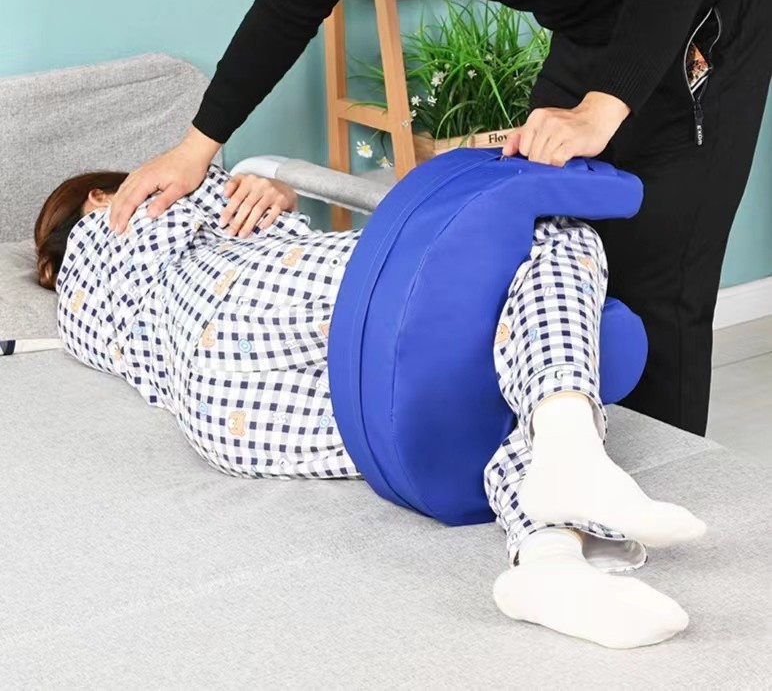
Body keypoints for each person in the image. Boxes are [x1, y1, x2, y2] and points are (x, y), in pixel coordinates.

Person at [107, 0, 772, 437]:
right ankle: (566, 461)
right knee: (543, 256)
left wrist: (600, 109)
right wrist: (197, 146)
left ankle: (667, 503)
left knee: (658, 289)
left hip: (700, 16)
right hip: (593, 24)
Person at [37, 164, 706, 649]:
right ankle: (568, 438)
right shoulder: (137, 208)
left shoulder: (78, 317)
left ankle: (550, 562)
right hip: (241, 294)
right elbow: (254, 214)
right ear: (101, 195)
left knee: (466, 404)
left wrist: (263, 194)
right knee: (552, 233)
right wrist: (256, 189)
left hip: (224, 415)